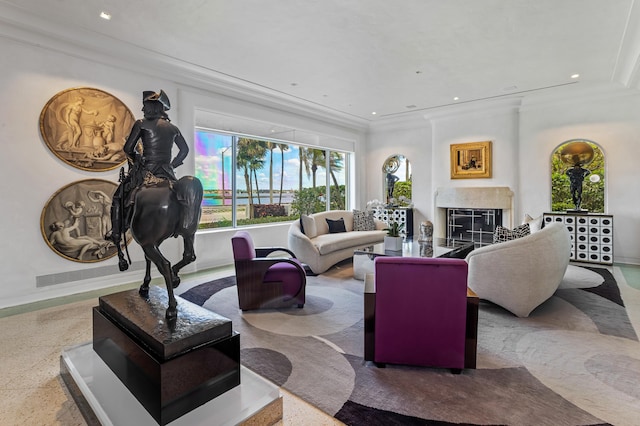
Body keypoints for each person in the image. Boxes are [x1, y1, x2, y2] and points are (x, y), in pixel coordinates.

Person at [107, 90, 189, 251]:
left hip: (147, 170)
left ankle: (116, 232)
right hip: (167, 173)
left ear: (150, 106)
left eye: (145, 106)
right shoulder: (173, 128)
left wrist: (137, 158)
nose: (143, 109)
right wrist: (172, 165)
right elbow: (184, 150)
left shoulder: (141, 123)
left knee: (118, 196)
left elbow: (128, 148)